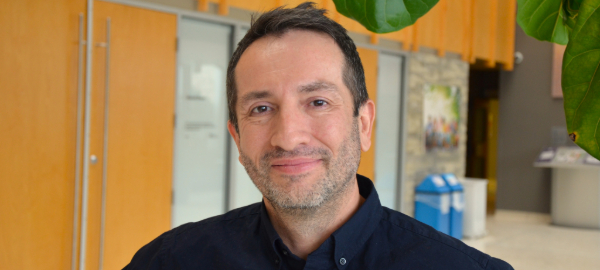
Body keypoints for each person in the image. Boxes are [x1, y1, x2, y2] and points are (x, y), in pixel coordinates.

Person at [124, 2, 513, 269]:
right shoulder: (169, 261)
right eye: (261, 109)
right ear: (237, 138)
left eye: (318, 102)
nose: (288, 137)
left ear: (363, 124)